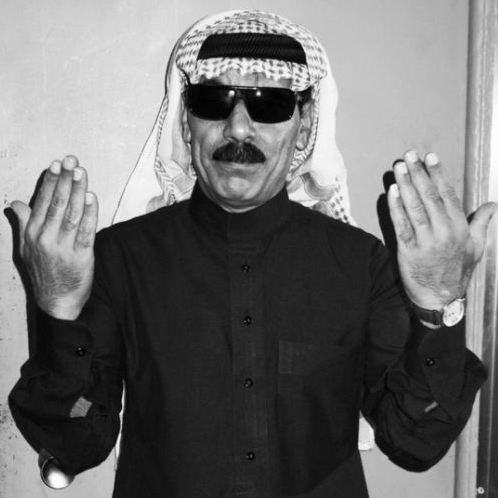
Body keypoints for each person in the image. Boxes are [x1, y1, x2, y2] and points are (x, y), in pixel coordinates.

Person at [8, 9, 497, 498]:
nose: (238, 128)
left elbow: (415, 442)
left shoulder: (361, 265)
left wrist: (437, 307)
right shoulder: (121, 259)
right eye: (214, 100)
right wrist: (58, 308)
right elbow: (76, 443)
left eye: (270, 103)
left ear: (304, 126)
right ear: (186, 122)